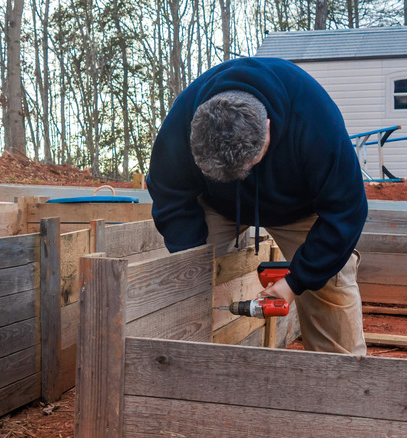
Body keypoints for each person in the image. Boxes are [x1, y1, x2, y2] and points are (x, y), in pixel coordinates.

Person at [146, 57, 368, 355]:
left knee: (330, 284)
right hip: (219, 205)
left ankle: (343, 381)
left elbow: (346, 213)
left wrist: (296, 282)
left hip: (300, 207)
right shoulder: (181, 121)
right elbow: (169, 195)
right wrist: (192, 263)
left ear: (267, 129)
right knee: (187, 277)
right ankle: (184, 361)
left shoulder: (316, 121)